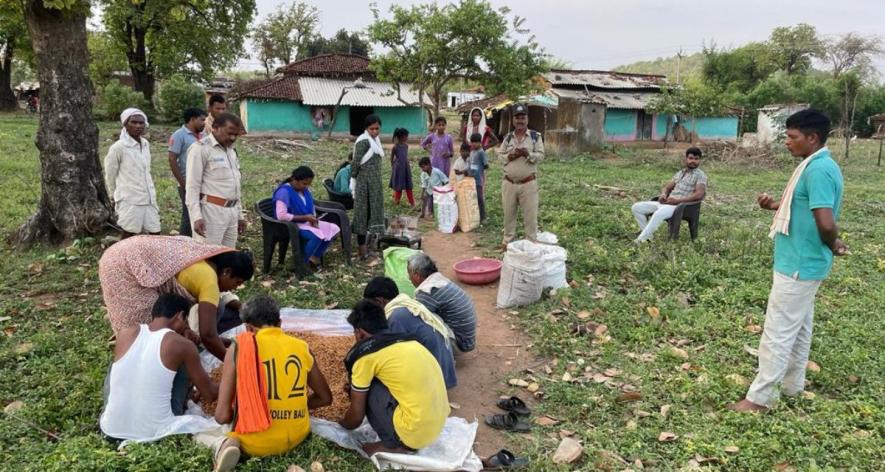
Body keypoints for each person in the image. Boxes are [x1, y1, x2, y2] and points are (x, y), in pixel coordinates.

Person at [728, 110, 846, 413]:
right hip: (802, 262)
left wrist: (834, 243)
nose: (787, 142)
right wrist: (775, 205)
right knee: (800, 327)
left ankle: (760, 399)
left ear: (813, 138)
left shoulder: (818, 170)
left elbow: (826, 222)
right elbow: (803, 203)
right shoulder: (815, 166)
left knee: (778, 332)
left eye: (793, 137)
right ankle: (793, 386)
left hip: (799, 263)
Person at [205, 295, 332, 469]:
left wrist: (250, 410)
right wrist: (293, 407)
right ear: (280, 323)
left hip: (256, 444)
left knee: (200, 433)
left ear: (248, 328)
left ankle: (223, 446)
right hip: (298, 435)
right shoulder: (302, 346)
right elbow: (325, 398)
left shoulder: (239, 348)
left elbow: (222, 416)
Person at [98, 235, 254, 360]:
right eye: (237, 282)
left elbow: (205, 336)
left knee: (164, 331)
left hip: (123, 252)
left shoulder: (206, 258)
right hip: (123, 264)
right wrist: (235, 366)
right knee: (145, 334)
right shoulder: (209, 281)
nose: (235, 287)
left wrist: (232, 343)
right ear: (226, 272)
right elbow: (208, 335)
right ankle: (138, 362)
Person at [100, 294, 219, 444]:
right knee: (182, 362)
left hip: (110, 430)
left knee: (120, 365)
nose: (185, 327)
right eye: (186, 322)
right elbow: (210, 394)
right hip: (155, 433)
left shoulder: (125, 333)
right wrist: (233, 375)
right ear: (180, 316)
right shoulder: (182, 345)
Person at [338, 299, 450, 456]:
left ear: (360, 333)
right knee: (372, 382)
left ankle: (393, 444)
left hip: (414, 435)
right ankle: (403, 434)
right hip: (437, 426)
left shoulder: (367, 356)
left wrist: (341, 424)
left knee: (367, 389)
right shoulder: (410, 342)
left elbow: (356, 417)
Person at [363, 277, 457, 389]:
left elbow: (395, 353)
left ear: (379, 301)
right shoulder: (404, 304)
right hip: (442, 366)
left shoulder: (396, 317)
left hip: (436, 378)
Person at [186, 112, 246, 248]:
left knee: (228, 255)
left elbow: (235, 186)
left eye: (236, 135)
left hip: (232, 212)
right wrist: (196, 217)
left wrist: (240, 215)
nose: (232, 138)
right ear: (215, 128)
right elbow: (192, 186)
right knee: (208, 254)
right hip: (211, 213)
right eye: (229, 133)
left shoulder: (231, 151)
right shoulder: (200, 149)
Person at [631, 147, 708, 243]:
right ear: (686, 159)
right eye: (691, 158)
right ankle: (648, 238)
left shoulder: (701, 175)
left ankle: (640, 241)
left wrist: (677, 201)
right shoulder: (681, 173)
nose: (693, 161)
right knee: (636, 208)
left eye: (696, 159)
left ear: (700, 160)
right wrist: (663, 194)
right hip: (668, 202)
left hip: (680, 206)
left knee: (658, 214)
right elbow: (667, 187)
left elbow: (699, 195)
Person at [104, 108, 160, 238]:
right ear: (125, 124)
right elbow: (110, 175)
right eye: (134, 122)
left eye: (141, 123)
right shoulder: (118, 147)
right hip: (130, 200)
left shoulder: (145, 144)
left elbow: (146, 171)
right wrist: (112, 196)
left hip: (149, 199)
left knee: (155, 234)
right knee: (129, 235)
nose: (138, 126)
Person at [272, 166, 341, 269]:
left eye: (308, 184)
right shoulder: (284, 192)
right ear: (294, 179)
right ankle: (301, 264)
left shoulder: (305, 190)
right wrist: (304, 217)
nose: (306, 186)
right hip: (291, 224)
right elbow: (281, 215)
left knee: (333, 229)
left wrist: (313, 218)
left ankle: (314, 257)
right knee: (316, 236)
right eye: (304, 183)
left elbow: (311, 207)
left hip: (306, 221)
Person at [408, 253, 476, 353]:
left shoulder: (428, 290)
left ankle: (441, 354)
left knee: (416, 319)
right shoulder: (439, 281)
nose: (409, 278)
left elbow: (411, 317)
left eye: (409, 274)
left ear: (417, 275)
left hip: (460, 344)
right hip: (467, 340)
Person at [498, 104, 545, 245]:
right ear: (513, 120)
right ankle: (507, 244)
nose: (520, 121)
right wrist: (509, 156)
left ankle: (531, 245)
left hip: (528, 184)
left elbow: (541, 155)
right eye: (517, 118)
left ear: (527, 119)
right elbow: (500, 156)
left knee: (530, 218)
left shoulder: (535, 137)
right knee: (508, 216)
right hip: (509, 184)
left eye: (523, 118)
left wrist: (528, 154)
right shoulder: (507, 138)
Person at [351, 114, 386, 259]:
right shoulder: (363, 142)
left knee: (372, 215)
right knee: (362, 216)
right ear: (366, 128)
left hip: (374, 185)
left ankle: (367, 247)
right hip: (364, 185)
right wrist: (355, 179)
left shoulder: (376, 141)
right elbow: (355, 164)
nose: (375, 131)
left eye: (377, 128)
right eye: (372, 129)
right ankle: (362, 250)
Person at [168, 107, 207, 237]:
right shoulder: (179, 135)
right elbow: (172, 159)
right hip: (187, 182)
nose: (204, 123)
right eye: (202, 120)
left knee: (201, 214)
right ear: (192, 119)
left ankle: (198, 242)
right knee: (188, 215)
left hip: (203, 183)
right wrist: (183, 183)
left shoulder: (204, 135)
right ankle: (183, 243)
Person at [389, 128, 415, 207]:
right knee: (399, 185)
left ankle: (412, 202)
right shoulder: (395, 147)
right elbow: (391, 158)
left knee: (408, 185)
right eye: (406, 136)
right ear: (401, 137)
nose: (407, 138)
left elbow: (405, 157)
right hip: (398, 168)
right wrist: (393, 166)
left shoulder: (406, 146)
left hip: (406, 167)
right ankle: (397, 201)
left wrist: (408, 163)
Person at [468, 132, 490, 222]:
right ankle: (475, 215)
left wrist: (479, 170)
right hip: (471, 178)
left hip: (478, 179)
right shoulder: (472, 152)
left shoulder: (481, 152)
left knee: (480, 198)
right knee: (472, 197)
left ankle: (483, 216)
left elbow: (486, 165)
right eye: (472, 142)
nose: (473, 144)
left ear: (480, 142)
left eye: (475, 142)